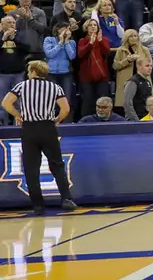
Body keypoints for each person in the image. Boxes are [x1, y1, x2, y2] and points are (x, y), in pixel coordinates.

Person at [1, 60, 77, 215]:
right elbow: (65, 108)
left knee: (31, 168)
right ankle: (66, 199)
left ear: (34, 71)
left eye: (29, 71)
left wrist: (18, 115)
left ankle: (38, 205)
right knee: (56, 164)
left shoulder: (22, 86)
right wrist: (57, 120)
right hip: (48, 128)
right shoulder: (54, 87)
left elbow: (6, 103)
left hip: (29, 129)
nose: (28, 74)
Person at [74, 17, 114, 120]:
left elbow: (107, 53)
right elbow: (80, 54)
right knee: (87, 101)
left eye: (95, 25)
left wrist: (100, 42)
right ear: (86, 28)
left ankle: (105, 120)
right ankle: (86, 122)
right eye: (90, 25)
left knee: (103, 99)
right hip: (86, 77)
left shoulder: (103, 40)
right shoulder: (82, 41)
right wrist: (90, 43)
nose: (92, 27)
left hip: (102, 77)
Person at [0, 15, 27, 125]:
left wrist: (14, 39)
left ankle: (19, 125)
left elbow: (27, 49)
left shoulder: (19, 36)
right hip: (2, 75)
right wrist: (3, 39)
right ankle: (3, 126)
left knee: (19, 102)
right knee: (2, 102)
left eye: (13, 22)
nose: (12, 24)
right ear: (2, 25)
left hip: (18, 74)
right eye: (9, 22)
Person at [122, 55, 153, 120]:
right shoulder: (133, 82)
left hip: (146, 118)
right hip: (136, 119)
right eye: (147, 66)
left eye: (151, 66)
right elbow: (127, 103)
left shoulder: (148, 82)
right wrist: (136, 120)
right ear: (138, 66)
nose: (150, 68)